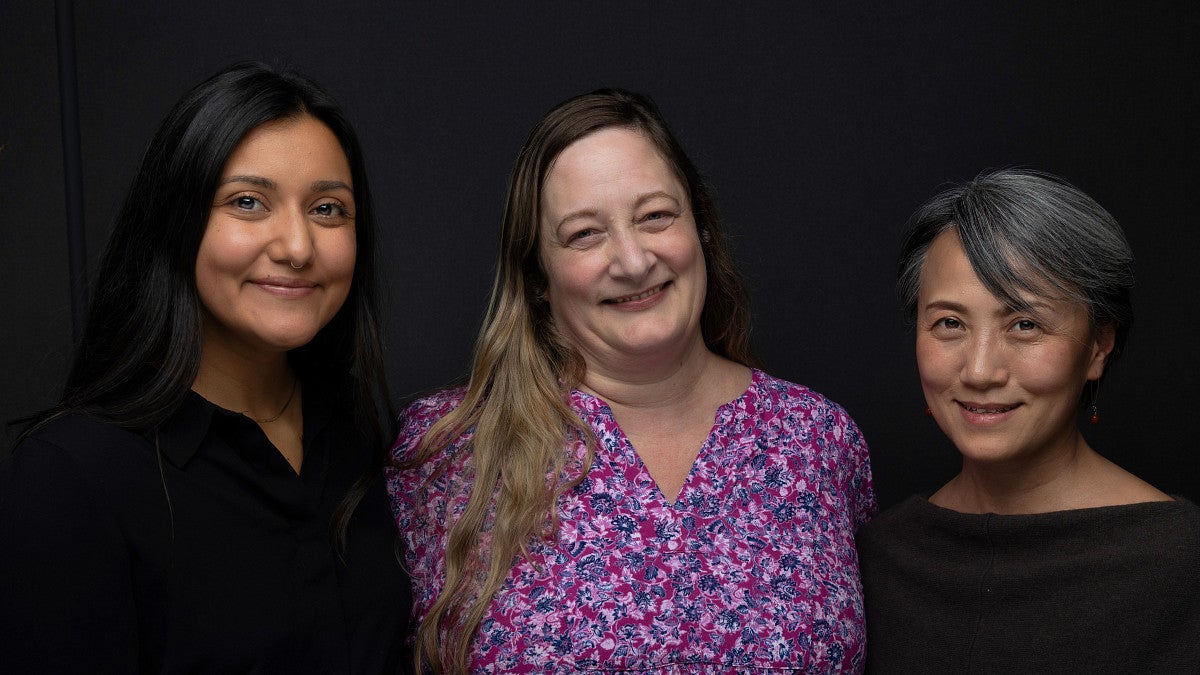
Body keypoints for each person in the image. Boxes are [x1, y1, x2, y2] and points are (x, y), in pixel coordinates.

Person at [387, 88, 877, 674]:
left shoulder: (817, 440)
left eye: (655, 217)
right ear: (538, 273)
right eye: (585, 234)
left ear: (700, 226)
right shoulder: (448, 450)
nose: (634, 261)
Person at [0, 62, 411, 673]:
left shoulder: (357, 430)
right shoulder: (72, 477)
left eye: (328, 209)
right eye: (248, 202)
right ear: (177, 222)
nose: (298, 247)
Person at [856, 169, 1200, 673]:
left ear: (1098, 346)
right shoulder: (875, 559)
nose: (979, 371)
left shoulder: (1181, 564)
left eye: (1025, 324)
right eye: (949, 323)